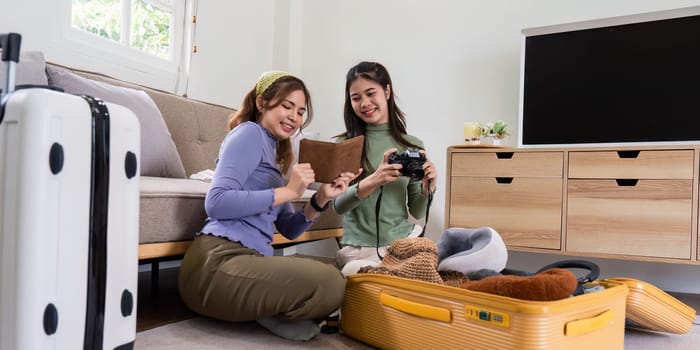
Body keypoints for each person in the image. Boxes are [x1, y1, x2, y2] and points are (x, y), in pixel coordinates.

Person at [178, 71, 360, 341]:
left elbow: (289, 229)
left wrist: (321, 197)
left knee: (334, 280)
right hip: (214, 264)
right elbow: (216, 202)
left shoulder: (275, 157)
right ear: (262, 103)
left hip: (246, 262)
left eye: (300, 112)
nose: (294, 118)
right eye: (287, 106)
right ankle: (267, 310)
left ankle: (264, 310)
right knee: (330, 282)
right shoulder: (249, 133)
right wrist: (287, 191)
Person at [333, 61, 438, 275]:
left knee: (431, 259)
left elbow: (417, 211)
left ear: (387, 91)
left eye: (371, 93)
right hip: (360, 250)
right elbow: (338, 205)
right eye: (356, 98)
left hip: (402, 244)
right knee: (357, 273)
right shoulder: (343, 145)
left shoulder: (412, 144)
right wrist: (374, 180)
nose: (365, 103)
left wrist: (428, 189)